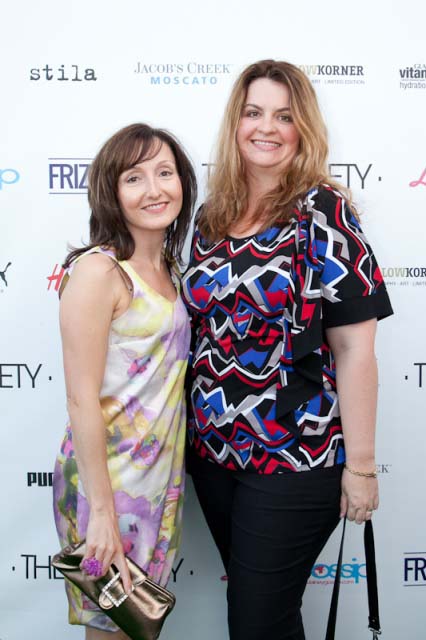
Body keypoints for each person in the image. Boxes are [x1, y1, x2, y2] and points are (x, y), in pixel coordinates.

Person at [181, 60, 393, 640]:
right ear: (236, 122)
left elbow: (355, 349)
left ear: (304, 128)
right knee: (266, 618)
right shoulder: (211, 217)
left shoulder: (323, 213)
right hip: (213, 454)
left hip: (296, 457)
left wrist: (362, 467)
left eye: (284, 116)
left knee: (256, 624)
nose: (266, 128)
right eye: (254, 113)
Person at [53, 123, 197, 639]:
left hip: (158, 484)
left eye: (165, 173)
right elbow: (80, 399)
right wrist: (101, 513)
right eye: (134, 178)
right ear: (111, 192)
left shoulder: (172, 270)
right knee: (111, 630)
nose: (154, 189)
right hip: (108, 487)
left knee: (139, 629)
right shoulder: (99, 272)